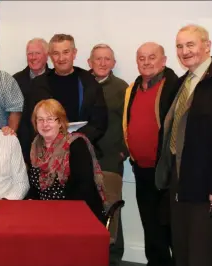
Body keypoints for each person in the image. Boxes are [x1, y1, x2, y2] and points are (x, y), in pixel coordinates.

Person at [155, 24, 212, 266]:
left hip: (207, 184)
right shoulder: (183, 83)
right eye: (179, 46)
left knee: (202, 254)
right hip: (180, 181)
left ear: (206, 46)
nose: (184, 51)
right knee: (182, 251)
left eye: (190, 44)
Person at [123, 42, 179, 266]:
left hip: (168, 171)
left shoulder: (174, 87)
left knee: (171, 226)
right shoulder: (133, 88)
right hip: (142, 170)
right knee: (150, 226)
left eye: (152, 57)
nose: (146, 62)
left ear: (164, 60)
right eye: (141, 58)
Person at [20, 33, 108, 163]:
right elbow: (29, 123)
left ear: (74, 53)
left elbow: (99, 122)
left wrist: (72, 142)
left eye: (66, 52)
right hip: (46, 156)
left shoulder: (89, 82)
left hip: (81, 153)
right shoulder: (38, 85)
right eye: (56, 53)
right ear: (50, 56)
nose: (61, 58)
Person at [26, 99, 105, 223]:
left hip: (76, 214)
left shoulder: (75, 145)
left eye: (50, 119)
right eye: (40, 120)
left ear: (60, 122)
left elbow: (83, 189)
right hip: (43, 213)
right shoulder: (35, 147)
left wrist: (56, 213)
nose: (45, 124)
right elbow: (35, 188)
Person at [88, 43, 128, 266]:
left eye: (107, 59)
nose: (102, 63)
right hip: (85, 157)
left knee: (112, 208)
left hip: (111, 159)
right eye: (98, 59)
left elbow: (131, 123)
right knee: (86, 208)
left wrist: (124, 150)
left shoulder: (123, 88)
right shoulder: (82, 83)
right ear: (89, 62)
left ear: (113, 63)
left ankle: (113, 258)